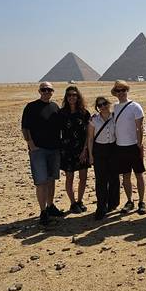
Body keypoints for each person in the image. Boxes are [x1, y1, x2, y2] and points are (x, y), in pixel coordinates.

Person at [21, 81, 64, 226]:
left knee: (51, 180)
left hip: (54, 149)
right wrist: (31, 144)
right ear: (39, 91)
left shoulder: (55, 107)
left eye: (49, 90)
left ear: (53, 92)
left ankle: (51, 206)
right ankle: (43, 211)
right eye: (44, 90)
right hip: (38, 150)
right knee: (41, 181)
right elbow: (25, 128)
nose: (46, 92)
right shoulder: (31, 107)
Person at [111, 81, 146, 215]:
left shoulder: (135, 106)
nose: (121, 93)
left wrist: (140, 145)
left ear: (127, 90)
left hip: (133, 146)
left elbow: (140, 128)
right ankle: (129, 201)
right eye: (118, 91)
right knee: (125, 176)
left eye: (123, 90)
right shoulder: (115, 107)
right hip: (120, 147)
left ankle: (141, 202)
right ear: (115, 93)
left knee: (139, 175)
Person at [87, 96, 120, 220]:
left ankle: (112, 203)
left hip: (113, 149)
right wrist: (90, 155)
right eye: (100, 105)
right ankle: (101, 207)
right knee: (101, 180)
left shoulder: (115, 117)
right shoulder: (93, 120)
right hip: (99, 151)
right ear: (97, 107)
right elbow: (90, 139)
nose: (103, 106)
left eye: (104, 103)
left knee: (114, 178)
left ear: (108, 103)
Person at [59, 85, 90, 213]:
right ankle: (72, 203)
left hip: (81, 149)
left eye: (74, 95)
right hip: (67, 150)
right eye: (69, 95)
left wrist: (85, 150)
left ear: (78, 97)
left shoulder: (84, 113)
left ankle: (80, 201)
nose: (72, 97)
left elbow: (89, 133)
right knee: (69, 178)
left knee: (83, 177)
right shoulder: (61, 113)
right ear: (66, 97)